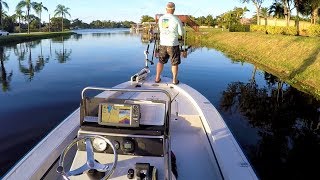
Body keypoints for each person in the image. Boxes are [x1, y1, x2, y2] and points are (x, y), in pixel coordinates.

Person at [155, 2, 184, 85]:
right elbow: (181, 33)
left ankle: (157, 78)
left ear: (166, 9)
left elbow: (160, 30)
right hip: (173, 44)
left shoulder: (161, 19)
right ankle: (174, 80)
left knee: (161, 61)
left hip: (163, 43)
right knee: (174, 63)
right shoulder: (176, 19)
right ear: (174, 10)